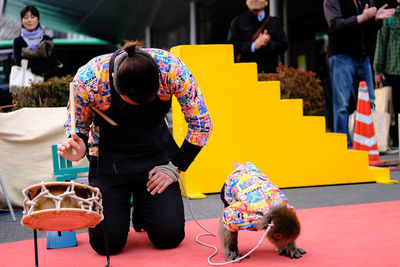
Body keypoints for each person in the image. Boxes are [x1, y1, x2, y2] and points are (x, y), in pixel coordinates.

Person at [57, 41, 212, 255]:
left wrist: (176, 166)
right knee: (106, 244)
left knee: (169, 236)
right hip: (110, 162)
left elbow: (201, 124)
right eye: (132, 101)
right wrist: (77, 148)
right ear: (115, 84)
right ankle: (132, 203)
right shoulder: (89, 78)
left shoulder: (172, 69)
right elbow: (78, 127)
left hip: (155, 159)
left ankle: (143, 208)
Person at [323, 0, 395, 148]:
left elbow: (368, 26)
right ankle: (344, 147)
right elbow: (335, 24)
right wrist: (361, 18)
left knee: (368, 102)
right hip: (341, 56)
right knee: (342, 105)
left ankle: (363, 144)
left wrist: (375, 19)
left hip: (363, 56)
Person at [227, 0, 288, 73]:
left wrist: (267, 43)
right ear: (246, 2)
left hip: (269, 75)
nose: (255, 0)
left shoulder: (274, 22)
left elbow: (284, 45)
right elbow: (231, 46)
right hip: (245, 73)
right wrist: (253, 46)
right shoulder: (237, 22)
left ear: (266, 2)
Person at [374, 0, 400, 151]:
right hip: (393, 69)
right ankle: (396, 141)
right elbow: (381, 42)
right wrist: (378, 69)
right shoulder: (391, 17)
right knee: (395, 108)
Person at [12, 5, 58, 80]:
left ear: (38, 19)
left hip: (46, 82)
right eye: (25, 18)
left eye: (32, 17)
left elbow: (52, 61)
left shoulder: (47, 39)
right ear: (22, 21)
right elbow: (18, 62)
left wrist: (33, 69)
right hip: (25, 82)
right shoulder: (18, 41)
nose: (29, 20)